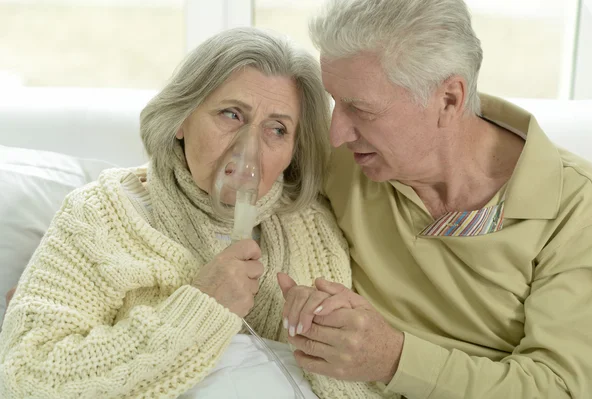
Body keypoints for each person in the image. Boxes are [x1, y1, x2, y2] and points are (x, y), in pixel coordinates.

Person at [0, 27, 387, 399]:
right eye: (231, 114)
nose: (247, 151)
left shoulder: (311, 230)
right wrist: (201, 306)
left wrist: (335, 347)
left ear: (293, 149)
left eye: (277, 129)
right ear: (182, 117)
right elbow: (25, 378)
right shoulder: (100, 217)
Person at [279, 0, 592, 398]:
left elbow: (561, 388)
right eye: (334, 101)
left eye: (360, 108)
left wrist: (394, 359)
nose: (336, 133)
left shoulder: (578, 208)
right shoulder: (343, 162)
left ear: (449, 99)